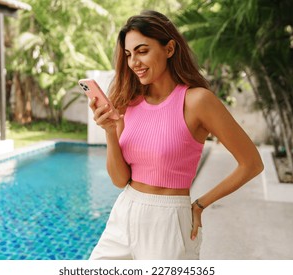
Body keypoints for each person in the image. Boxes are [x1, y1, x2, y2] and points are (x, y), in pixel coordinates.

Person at [88, 10, 264, 260]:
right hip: (124, 213)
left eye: (142, 51)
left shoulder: (198, 101)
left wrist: (200, 204)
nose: (133, 62)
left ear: (169, 49)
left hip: (169, 221)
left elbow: (252, 164)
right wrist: (109, 132)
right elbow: (119, 180)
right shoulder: (129, 102)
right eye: (128, 54)